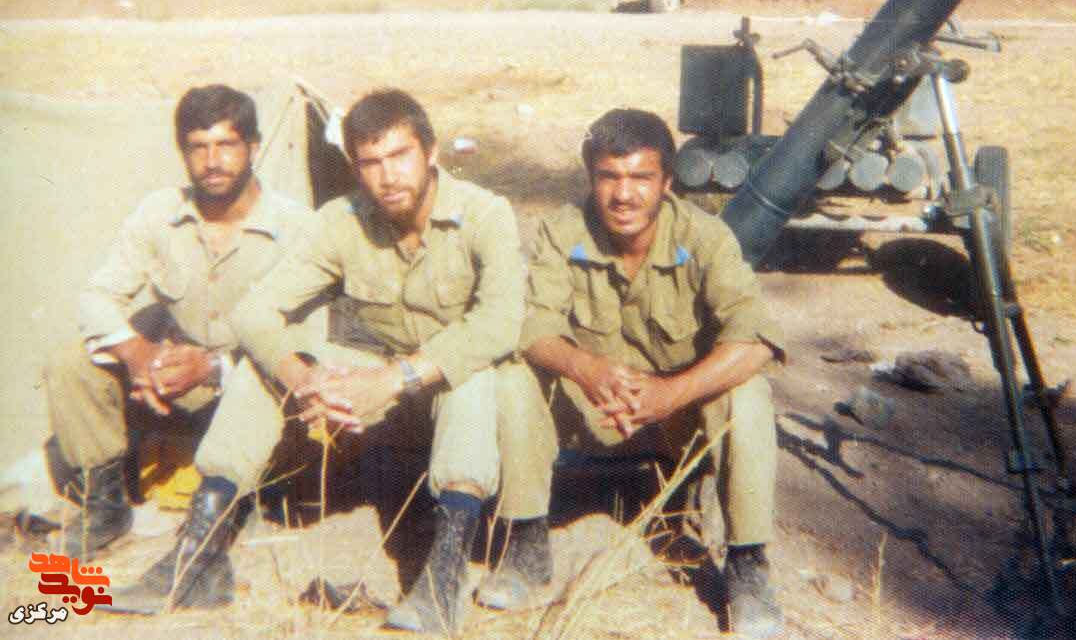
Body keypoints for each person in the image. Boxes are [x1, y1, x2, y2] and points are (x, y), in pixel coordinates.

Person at [102, 89, 524, 635]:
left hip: (444, 397)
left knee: (471, 372)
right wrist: (301, 376)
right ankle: (198, 556)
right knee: (263, 365)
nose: (388, 177)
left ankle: (443, 579)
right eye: (370, 163)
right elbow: (255, 310)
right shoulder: (342, 220)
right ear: (354, 167)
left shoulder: (485, 214)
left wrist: (394, 378)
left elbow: (499, 323)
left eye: (400, 156)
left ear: (432, 152)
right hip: (373, 399)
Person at [486, 108, 786, 638]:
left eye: (641, 178)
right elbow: (532, 327)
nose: (624, 195)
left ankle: (747, 563)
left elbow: (757, 339)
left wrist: (673, 393)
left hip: (676, 423)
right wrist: (584, 367)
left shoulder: (705, 237)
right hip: (590, 411)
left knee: (749, 393)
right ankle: (526, 540)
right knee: (513, 376)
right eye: (609, 177)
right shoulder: (562, 231)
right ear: (591, 178)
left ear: (667, 182)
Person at [44, 85, 314, 560]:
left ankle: (244, 498)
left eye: (226, 144)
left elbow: (306, 339)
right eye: (198, 147)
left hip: (253, 384)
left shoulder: (297, 227)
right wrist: (138, 353)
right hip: (175, 382)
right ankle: (106, 507)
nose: (212, 161)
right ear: (183, 153)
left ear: (253, 147)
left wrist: (212, 368)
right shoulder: (160, 212)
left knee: (273, 375)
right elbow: (97, 295)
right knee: (71, 363)